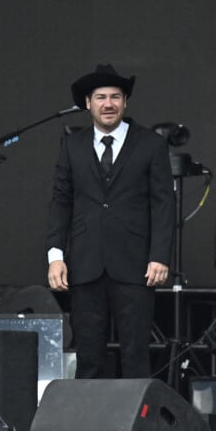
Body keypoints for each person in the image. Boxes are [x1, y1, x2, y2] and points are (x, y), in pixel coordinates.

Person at [46, 63, 175, 378]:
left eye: (115, 96)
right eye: (100, 97)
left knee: (135, 355)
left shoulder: (150, 144)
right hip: (85, 263)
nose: (108, 104)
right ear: (87, 103)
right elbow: (61, 201)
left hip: (135, 264)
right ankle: (88, 428)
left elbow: (163, 203)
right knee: (89, 357)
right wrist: (55, 256)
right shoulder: (72, 144)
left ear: (125, 102)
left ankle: (136, 427)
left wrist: (159, 256)